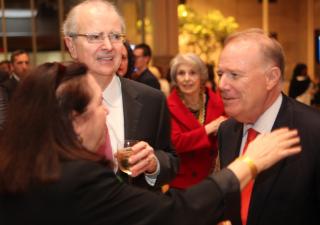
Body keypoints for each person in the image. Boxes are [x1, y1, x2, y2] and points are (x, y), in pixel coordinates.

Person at [0, 61, 301, 225]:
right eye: (97, 104)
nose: (105, 111)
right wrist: (249, 163)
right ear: (74, 118)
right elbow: (173, 213)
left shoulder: (20, 166)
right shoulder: (77, 178)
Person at [62, 0, 178, 190]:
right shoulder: (53, 102)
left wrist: (153, 164)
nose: (108, 46)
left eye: (115, 36)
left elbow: (170, 159)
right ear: (71, 45)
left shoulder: (151, 99)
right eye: (95, 36)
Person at [216, 28, 320, 225]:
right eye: (220, 73)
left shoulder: (314, 131)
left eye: (234, 75)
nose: (221, 84)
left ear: (271, 78)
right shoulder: (227, 131)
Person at [167, 53, 227, 189]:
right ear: (175, 78)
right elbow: (176, 143)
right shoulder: (168, 106)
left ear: (201, 76)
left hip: (216, 179)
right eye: (181, 73)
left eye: (192, 73)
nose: (186, 79)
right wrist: (208, 129)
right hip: (184, 184)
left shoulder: (218, 100)